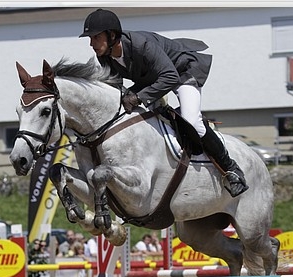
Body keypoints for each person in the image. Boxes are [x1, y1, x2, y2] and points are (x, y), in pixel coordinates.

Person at [79, 8, 248, 197]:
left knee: (192, 121)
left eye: (95, 37)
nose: (91, 43)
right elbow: (116, 87)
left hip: (182, 72)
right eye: (90, 38)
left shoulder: (141, 45)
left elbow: (170, 76)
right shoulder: (104, 56)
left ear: (111, 35)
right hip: (154, 78)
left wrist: (138, 97)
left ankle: (232, 169)